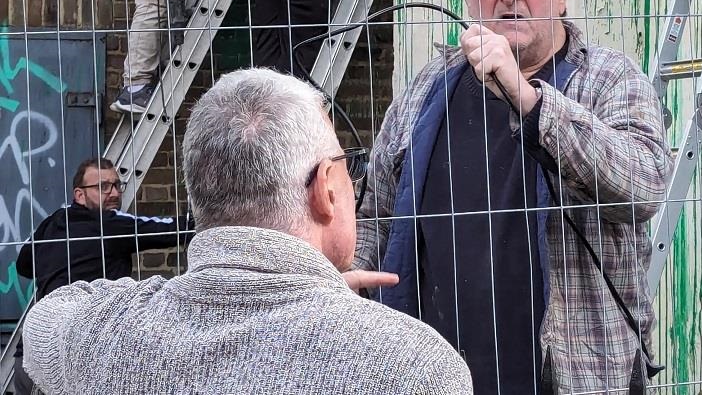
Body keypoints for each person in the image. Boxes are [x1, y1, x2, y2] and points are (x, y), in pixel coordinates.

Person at [354, 0, 673, 394]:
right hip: (438, 378)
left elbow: (644, 188)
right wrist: (342, 282)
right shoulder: (426, 92)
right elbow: (375, 213)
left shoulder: (609, 80)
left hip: (570, 379)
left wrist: (529, 99)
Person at [23, 69, 473, 394]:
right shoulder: (415, 368)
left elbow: (44, 321)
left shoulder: (108, 341)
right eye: (346, 165)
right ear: (325, 191)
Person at [14, 157, 191, 395]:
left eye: (117, 185)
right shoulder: (110, 223)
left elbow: (24, 264)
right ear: (79, 195)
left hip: (31, 355)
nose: (114, 193)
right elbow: (175, 228)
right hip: (79, 355)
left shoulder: (52, 222)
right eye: (103, 187)